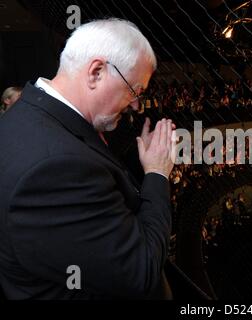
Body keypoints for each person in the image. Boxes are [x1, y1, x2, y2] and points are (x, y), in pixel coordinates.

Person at [0, 19, 177, 299]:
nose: (135, 105)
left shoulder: (26, 114)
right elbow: (140, 271)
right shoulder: (56, 168)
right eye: (135, 90)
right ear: (96, 72)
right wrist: (157, 172)